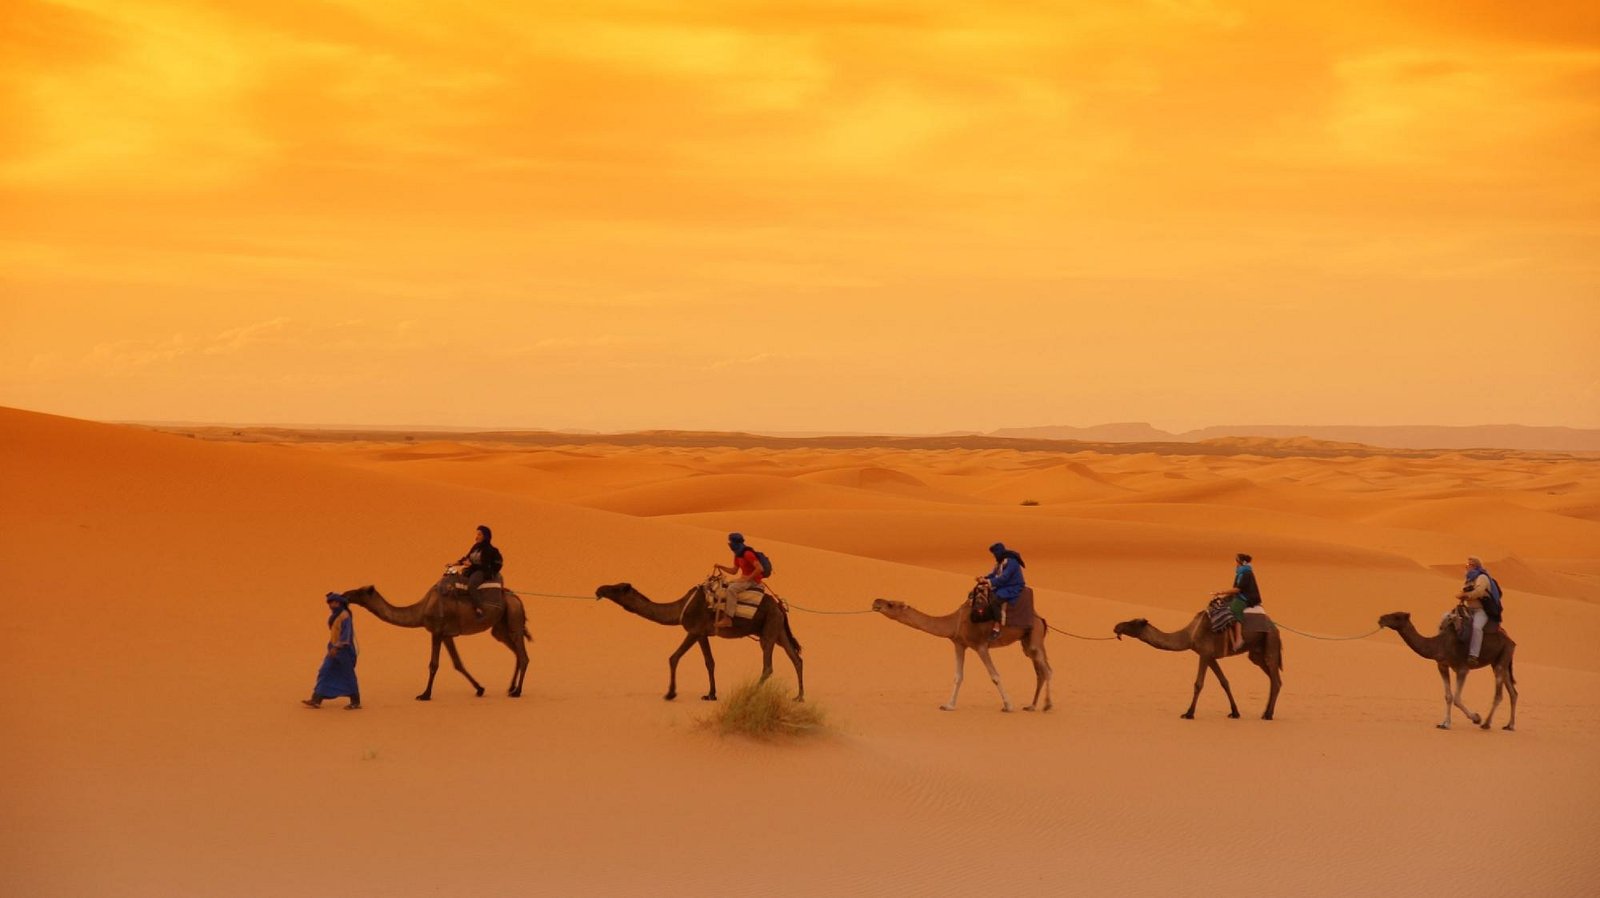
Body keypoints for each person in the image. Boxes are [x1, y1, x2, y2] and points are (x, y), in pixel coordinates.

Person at [303, 592, 360, 709]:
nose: (331, 605)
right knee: (325, 671)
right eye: (330, 603)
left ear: (338, 603)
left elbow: (346, 635)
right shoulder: (335, 616)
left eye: (333, 603)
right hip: (334, 648)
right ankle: (316, 699)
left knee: (347, 674)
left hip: (344, 650)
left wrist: (337, 647)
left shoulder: (345, 616)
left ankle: (355, 701)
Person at [712, 532, 766, 630]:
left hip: (752, 580)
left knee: (731, 589)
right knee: (724, 585)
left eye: (731, 542)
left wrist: (748, 578)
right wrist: (721, 566)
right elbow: (734, 571)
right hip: (744, 579)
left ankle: (728, 618)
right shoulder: (738, 555)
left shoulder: (747, 554)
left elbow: (760, 568)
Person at [449, 524, 503, 618]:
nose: (477, 537)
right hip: (472, 569)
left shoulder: (488, 550)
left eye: (479, 534)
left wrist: (471, 565)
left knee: (472, 585)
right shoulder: (476, 547)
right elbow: (467, 557)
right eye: (477, 534)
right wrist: (455, 563)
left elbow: (485, 565)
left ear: (485, 536)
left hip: (482, 572)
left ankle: (479, 608)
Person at [1211, 553, 1261, 652]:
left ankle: (1239, 639)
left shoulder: (1246, 573)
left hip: (1247, 598)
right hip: (1240, 595)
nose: (1235, 562)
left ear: (1241, 562)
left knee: (1234, 609)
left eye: (1236, 560)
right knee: (1221, 603)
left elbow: (1238, 589)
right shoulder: (1240, 572)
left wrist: (1221, 592)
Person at [977, 542, 1026, 640]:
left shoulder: (1011, 562)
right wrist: (984, 578)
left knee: (995, 601)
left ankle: (997, 628)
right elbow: (994, 574)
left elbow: (1004, 577)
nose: (994, 556)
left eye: (995, 553)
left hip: (1012, 586)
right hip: (1004, 585)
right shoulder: (1000, 562)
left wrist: (988, 581)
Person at [1455, 555, 1499, 663]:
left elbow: (1479, 592)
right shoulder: (1469, 579)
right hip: (1469, 609)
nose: (1466, 567)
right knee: (1450, 620)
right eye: (1466, 565)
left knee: (1476, 628)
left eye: (1468, 565)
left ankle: (1473, 655)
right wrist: (1461, 594)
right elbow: (1462, 591)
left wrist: (1467, 595)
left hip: (1481, 611)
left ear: (1474, 566)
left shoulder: (1482, 578)